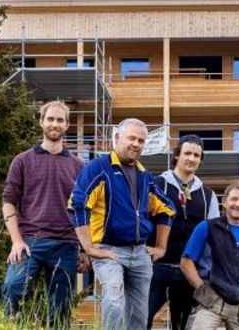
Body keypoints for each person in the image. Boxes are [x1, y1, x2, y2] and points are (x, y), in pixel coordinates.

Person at [68, 118, 176, 330]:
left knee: (140, 314)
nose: (136, 144)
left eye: (141, 141)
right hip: (109, 251)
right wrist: (89, 248)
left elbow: (166, 209)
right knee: (115, 302)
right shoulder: (99, 168)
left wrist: (161, 247)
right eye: (131, 138)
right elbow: (78, 204)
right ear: (117, 138)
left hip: (140, 253)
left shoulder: (144, 175)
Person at [1, 100, 85, 328]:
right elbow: (8, 202)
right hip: (30, 242)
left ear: (67, 125)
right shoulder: (22, 160)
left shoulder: (78, 166)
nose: (54, 124)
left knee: (60, 310)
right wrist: (16, 241)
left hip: (66, 246)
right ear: (41, 122)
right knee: (12, 287)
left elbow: (85, 211)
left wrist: (85, 249)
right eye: (50, 119)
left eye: (60, 120)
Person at [147, 134, 219, 330]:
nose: (191, 158)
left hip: (188, 272)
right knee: (142, 319)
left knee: (181, 325)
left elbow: (213, 237)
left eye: (196, 155)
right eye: (187, 153)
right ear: (177, 155)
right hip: (155, 268)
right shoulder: (156, 185)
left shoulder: (208, 196)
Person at [180, 182, 239, 330]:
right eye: (234, 199)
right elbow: (186, 263)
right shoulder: (207, 227)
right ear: (224, 202)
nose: (238, 204)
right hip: (211, 304)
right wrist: (203, 291)